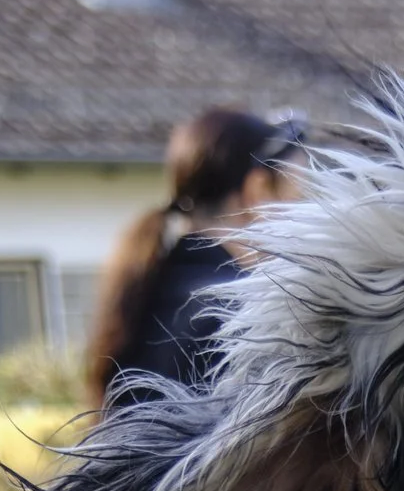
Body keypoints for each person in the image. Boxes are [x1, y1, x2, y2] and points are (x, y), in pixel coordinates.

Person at [84, 108, 307, 407]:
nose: (303, 221)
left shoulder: (152, 286)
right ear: (258, 190)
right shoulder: (242, 314)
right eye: (298, 199)